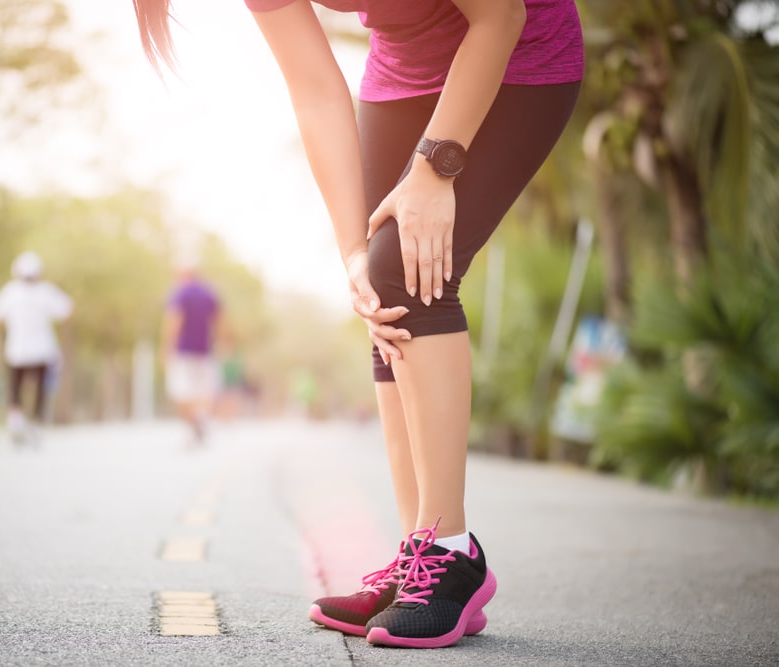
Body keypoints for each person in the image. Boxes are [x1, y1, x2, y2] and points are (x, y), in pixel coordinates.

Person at [133, 0, 583, 650]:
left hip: (520, 59)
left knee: (409, 268)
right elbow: (316, 94)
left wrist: (436, 168)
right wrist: (351, 254)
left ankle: (452, 552)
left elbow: (500, 17)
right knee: (380, 282)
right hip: (402, 73)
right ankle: (418, 558)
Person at [0, 251, 73, 444]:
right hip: (42, 349)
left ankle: (15, 421)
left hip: (17, 349)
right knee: (40, 391)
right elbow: (68, 310)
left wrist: (11, 323)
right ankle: (36, 425)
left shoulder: (11, 292)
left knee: (15, 388)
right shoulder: (45, 291)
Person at [161, 259, 220, 446]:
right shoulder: (209, 293)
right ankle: (200, 419)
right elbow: (218, 320)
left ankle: (195, 423)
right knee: (205, 391)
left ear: (182, 272)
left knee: (179, 392)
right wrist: (218, 343)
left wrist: (166, 347)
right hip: (205, 351)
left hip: (184, 351)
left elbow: (174, 320)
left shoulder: (180, 293)